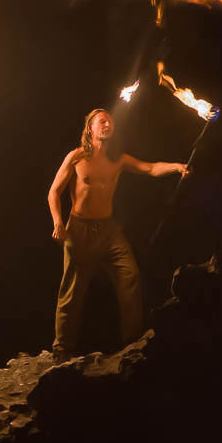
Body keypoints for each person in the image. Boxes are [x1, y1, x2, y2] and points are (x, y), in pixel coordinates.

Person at [46, 108, 187, 358]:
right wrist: (58, 221)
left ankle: (132, 340)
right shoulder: (76, 157)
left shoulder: (118, 159)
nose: (107, 125)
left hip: (109, 229)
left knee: (130, 275)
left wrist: (177, 166)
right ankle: (62, 347)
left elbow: (150, 168)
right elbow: (54, 192)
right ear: (90, 128)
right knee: (72, 288)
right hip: (79, 230)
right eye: (102, 122)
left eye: (110, 122)